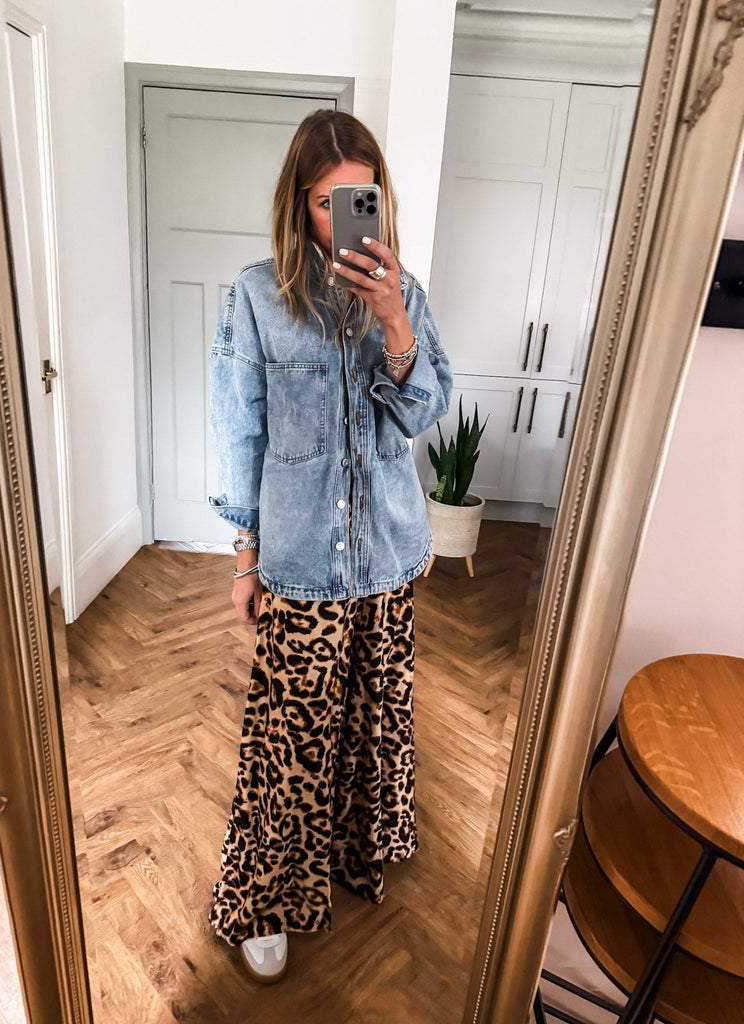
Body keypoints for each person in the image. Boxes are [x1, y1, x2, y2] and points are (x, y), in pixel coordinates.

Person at [207, 108, 452, 984]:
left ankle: (354, 852)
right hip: (305, 562)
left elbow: (423, 414)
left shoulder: (403, 291)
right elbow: (239, 435)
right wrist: (245, 558)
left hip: (386, 556)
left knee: (372, 720)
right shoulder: (257, 297)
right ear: (299, 203)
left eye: (362, 199)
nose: (346, 217)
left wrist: (394, 322)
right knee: (291, 740)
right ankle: (265, 898)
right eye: (327, 202)